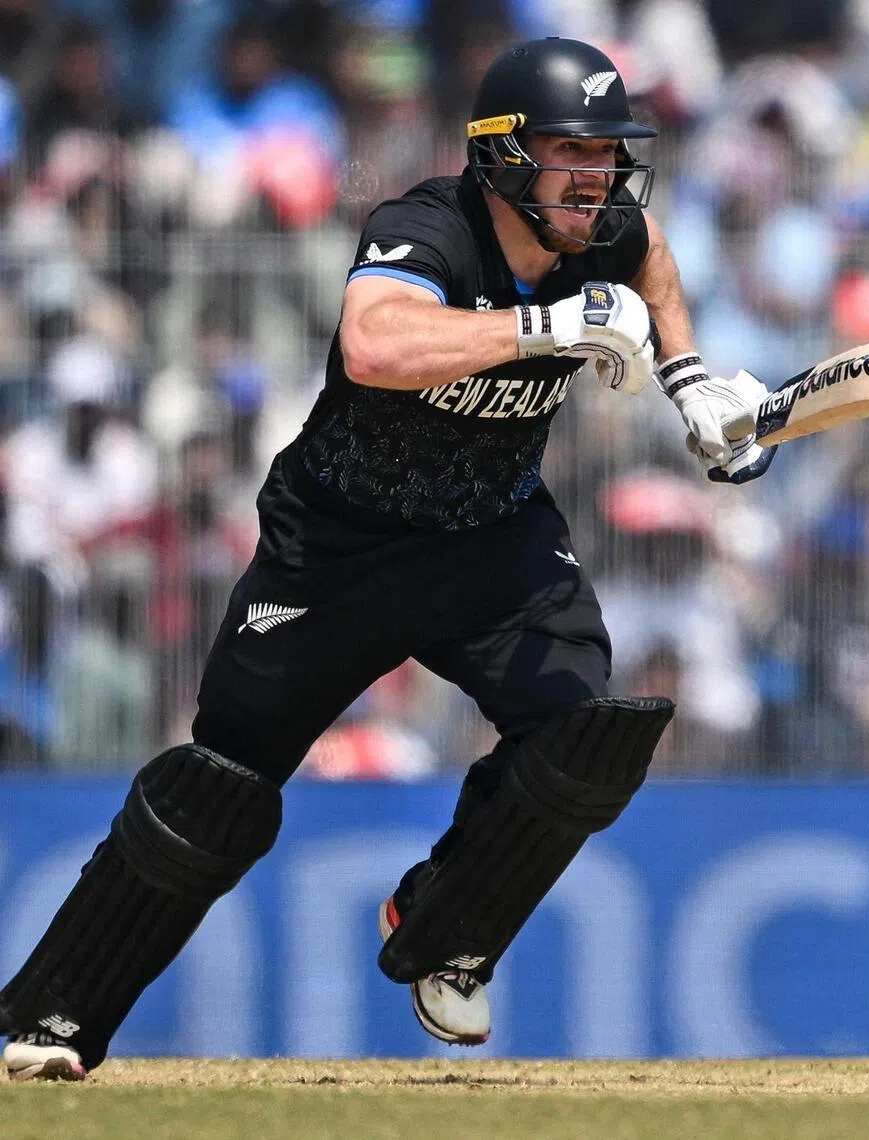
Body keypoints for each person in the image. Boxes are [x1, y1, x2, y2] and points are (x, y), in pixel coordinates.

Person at [0, 37, 776, 1080]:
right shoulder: (425, 225)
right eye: (571, 154)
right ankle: (50, 1020)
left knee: (584, 732)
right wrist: (543, 328)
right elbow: (377, 345)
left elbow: (653, 262)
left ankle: (444, 927)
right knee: (218, 786)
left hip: (491, 539)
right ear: (502, 156)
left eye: (609, 156)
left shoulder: (607, 229)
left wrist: (690, 381)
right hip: (338, 548)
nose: (597, 180)